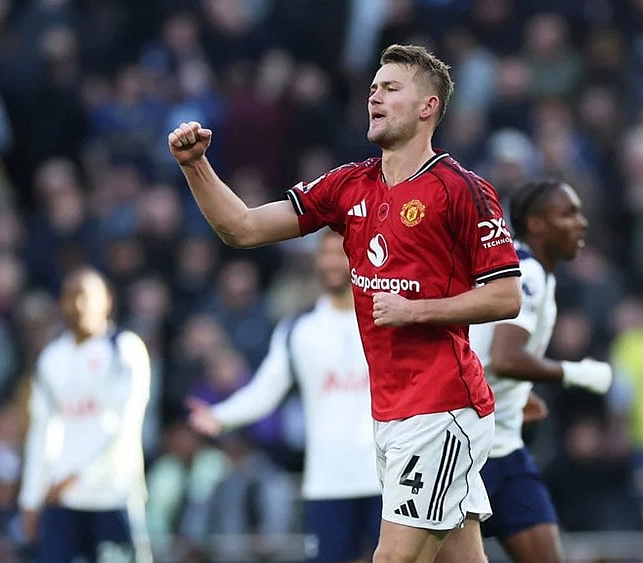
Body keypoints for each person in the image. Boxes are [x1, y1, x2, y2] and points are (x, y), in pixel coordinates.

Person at [168, 44, 522, 563]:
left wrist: (415, 311)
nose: (374, 97)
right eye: (373, 88)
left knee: (390, 559)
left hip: (442, 405)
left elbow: (506, 295)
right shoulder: (348, 185)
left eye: (390, 88)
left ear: (428, 107)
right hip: (393, 410)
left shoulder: (461, 190)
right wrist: (195, 166)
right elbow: (242, 228)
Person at [442, 179, 612, 563]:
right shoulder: (526, 273)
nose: (581, 223)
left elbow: (489, 358)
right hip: (465, 452)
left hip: (504, 446)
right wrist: (576, 373)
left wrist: (516, 397)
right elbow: (505, 356)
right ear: (536, 223)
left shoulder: (533, 270)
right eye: (568, 214)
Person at [186, 230, 382, 562]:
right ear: (316, 261)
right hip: (327, 482)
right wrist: (220, 416)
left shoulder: (387, 318)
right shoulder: (298, 329)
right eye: (327, 253)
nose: (334, 261)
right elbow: (266, 390)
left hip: (386, 480)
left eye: (343, 253)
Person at [19, 267, 152, 563]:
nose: (77, 305)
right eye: (69, 296)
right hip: (62, 500)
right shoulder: (52, 357)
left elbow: (125, 426)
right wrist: (30, 497)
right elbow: (41, 430)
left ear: (107, 301)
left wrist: (77, 477)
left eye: (85, 296)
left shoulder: (125, 350)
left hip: (113, 494)